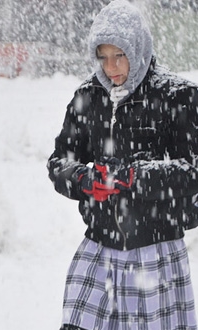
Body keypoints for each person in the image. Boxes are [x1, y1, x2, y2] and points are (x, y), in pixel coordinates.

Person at [47, 1, 198, 329]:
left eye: (120, 55)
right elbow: (59, 162)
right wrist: (84, 178)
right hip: (99, 244)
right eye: (103, 56)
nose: (111, 67)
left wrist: (134, 177)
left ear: (139, 49)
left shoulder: (177, 97)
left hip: (156, 251)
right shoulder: (88, 96)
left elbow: (193, 170)